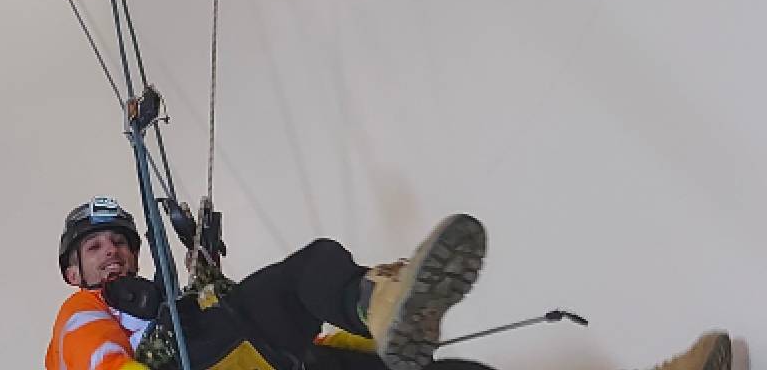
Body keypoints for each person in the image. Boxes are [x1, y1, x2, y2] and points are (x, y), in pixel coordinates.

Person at [45, 196, 734, 370]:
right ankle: (374, 300)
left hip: (262, 357)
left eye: (121, 244)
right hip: (213, 356)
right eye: (96, 248)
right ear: (73, 269)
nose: (112, 256)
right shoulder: (83, 314)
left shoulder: (156, 300)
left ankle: (382, 306)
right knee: (296, 275)